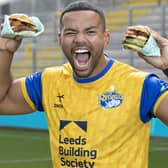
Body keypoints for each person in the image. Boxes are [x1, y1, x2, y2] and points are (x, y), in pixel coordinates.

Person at [0, 1, 168, 167]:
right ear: (60, 39)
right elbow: (3, 101)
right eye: (71, 33)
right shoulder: (47, 81)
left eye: (90, 32)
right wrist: (5, 50)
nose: (80, 39)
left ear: (105, 39)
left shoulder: (141, 85)